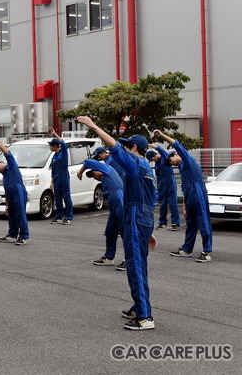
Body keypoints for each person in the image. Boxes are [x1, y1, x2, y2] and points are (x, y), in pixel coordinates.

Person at [77, 116, 158, 331]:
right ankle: (140, 306)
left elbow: (113, 147)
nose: (124, 147)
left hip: (135, 216)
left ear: (134, 147)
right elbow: (151, 200)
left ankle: (145, 316)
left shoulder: (136, 164)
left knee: (135, 265)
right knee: (140, 264)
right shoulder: (148, 169)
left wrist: (94, 126)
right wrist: (148, 230)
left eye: (127, 145)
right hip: (144, 217)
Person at [153, 130, 213, 262]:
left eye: (171, 160)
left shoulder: (188, 159)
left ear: (176, 154)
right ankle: (186, 249)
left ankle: (207, 251)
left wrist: (161, 136)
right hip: (189, 196)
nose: (171, 163)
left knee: (203, 222)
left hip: (198, 194)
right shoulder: (181, 167)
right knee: (190, 224)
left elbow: (177, 144)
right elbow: (185, 190)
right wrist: (185, 207)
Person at [77, 159, 125, 269]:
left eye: (94, 174)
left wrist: (80, 173)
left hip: (119, 200)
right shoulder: (104, 179)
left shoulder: (106, 169)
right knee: (110, 231)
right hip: (113, 204)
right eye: (93, 177)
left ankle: (129, 260)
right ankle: (109, 257)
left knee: (125, 231)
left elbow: (87, 162)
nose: (95, 177)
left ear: (98, 170)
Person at [0, 137, 30, 246]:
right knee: (11, 215)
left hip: (19, 192)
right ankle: (12, 235)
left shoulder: (11, 166)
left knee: (20, 214)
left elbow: (7, 152)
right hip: (11, 195)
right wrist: (6, 206)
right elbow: (6, 193)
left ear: (1, 162)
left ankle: (24, 236)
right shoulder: (4, 176)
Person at [146, 145, 181, 231]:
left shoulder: (165, 158)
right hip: (161, 185)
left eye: (153, 158)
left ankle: (175, 223)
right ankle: (162, 223)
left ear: (155, 155)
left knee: (173, 203)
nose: (153, 160)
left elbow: (159, 148)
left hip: (170, 184)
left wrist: (150, 145)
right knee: (162, 204)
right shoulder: (157, 164)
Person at [48, 128, 73, 225]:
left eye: (50, 145)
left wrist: (55, 134)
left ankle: (68, 216)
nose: (50, 147)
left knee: (66, 197)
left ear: (55, 146)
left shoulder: (64, 153)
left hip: (64, 178)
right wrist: (52, 182)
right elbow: (53, 171)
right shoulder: (54, 156)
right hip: (57, 179)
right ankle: (59, 216)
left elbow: (62, 142)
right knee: (57, 198)